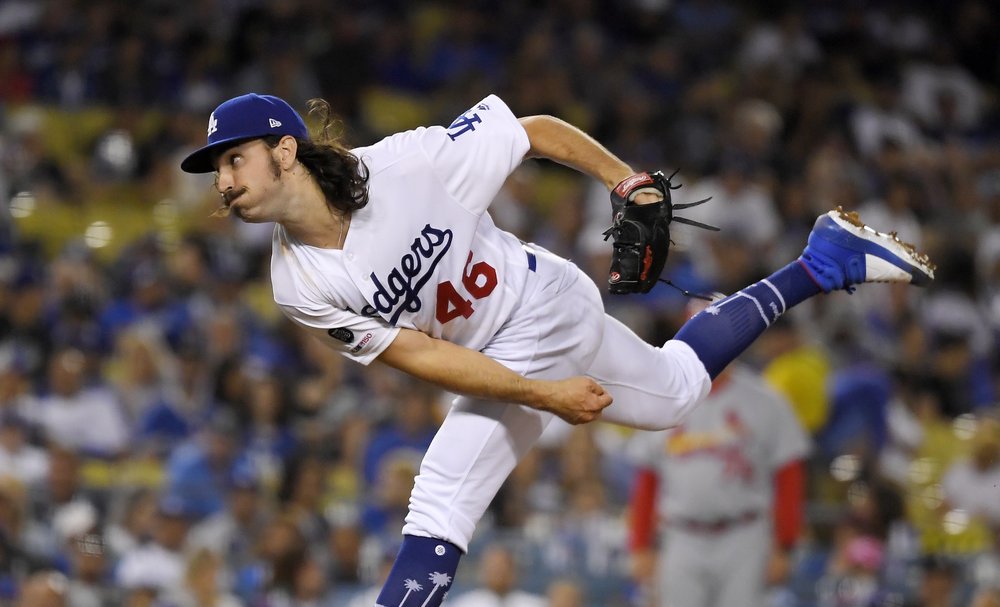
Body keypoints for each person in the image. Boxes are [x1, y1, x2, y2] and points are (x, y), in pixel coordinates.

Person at [179, 92, 934, 607]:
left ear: (285, 150)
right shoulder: (295, 280)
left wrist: (626, 179)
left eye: (232, 158)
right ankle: (820, 262)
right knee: (676, 393)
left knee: (442, 493)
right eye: (215, 169)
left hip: (536, 302)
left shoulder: (403, 166)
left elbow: (531, 130)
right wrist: (542, 396)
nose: (223, 180)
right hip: (506, 348)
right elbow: (422, 358)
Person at [626, 309, 811, 607]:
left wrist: (785, 545)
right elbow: (647, 477)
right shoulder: (665, 396)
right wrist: (639, 545)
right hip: (681, 535)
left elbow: (789, 474)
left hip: (745, 535)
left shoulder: (766, 400)